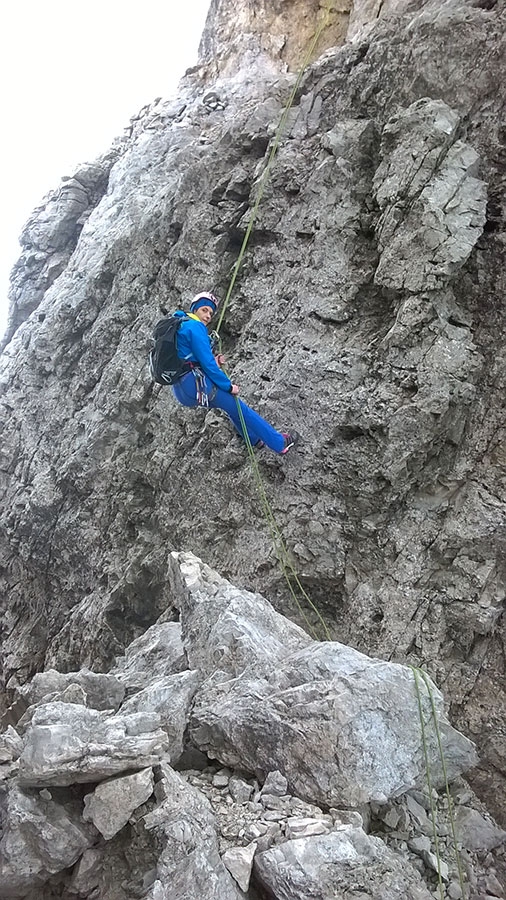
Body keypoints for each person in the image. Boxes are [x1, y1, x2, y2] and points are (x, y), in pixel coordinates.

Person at [171, 292, 299, 454]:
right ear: (195, 309)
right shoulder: (195, 327)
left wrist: (214, 363)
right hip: (196, 386)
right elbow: (208, 364)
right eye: (204, 310)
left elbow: (189, 360)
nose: (208, 315)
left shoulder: (181, 325)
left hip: (181, 390)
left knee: (231, 407)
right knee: (238, 406)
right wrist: (228, 386)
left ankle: (253, 439)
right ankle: (280, 443)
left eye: (210, 313)